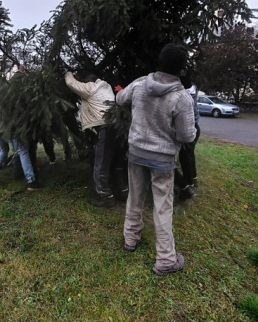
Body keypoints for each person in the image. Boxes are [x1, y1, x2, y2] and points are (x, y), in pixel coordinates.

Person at [116, 43, 196, 275]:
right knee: (162, 207)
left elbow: (120, 99)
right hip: (162, 160)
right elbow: (186, 135)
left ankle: (130, 239)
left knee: (135, 196)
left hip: (136, 152)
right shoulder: (182, 98)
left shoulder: (140, 83)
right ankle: (166, 260)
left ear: (159, 61)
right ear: (181, 69)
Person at [65, 70, 117, 207]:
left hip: (106, 128)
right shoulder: (106, 87)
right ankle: (120, 190)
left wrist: (68, 73)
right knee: (111, 161)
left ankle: (106, 197)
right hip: (115, 128)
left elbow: (71, 83)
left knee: (100, 164)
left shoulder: (91, 88)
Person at [175, 75, 200, 201]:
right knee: (189, 155)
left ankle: (188, 184)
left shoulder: (184, 94)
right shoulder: (194, 88)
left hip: (189, 126)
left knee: (185, 157)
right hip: (195, 126)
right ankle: (193, 178)